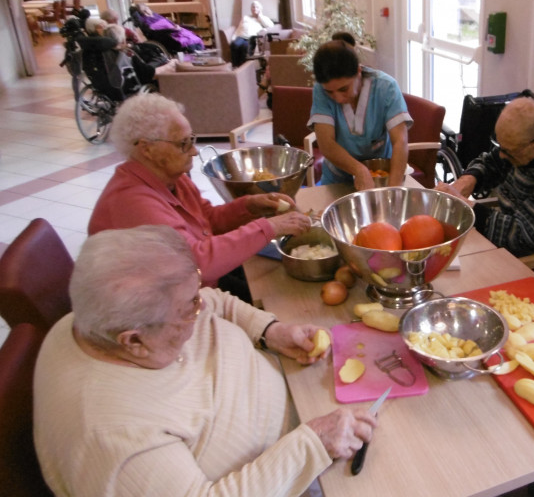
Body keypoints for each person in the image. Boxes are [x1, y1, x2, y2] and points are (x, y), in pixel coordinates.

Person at [34, 224, 378, 497]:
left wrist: (269, 330)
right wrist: (312, 444)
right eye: (189, 309)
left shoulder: (105, 320)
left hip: (303, 403)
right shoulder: (114, 441)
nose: (201, 309)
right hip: (293, 472)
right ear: (134, 340)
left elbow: (212, 300)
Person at [87, 92, 311, 302]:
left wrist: (250, 206)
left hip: (195, 284)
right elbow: (196, 262)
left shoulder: (171, 177)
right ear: (147, 149)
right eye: (183, 143)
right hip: (159, 308)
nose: (194, 151)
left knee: (275, 287)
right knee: (274, 300)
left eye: (191, 140)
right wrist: (269, 227)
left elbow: (208, 220)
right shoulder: (132, 202)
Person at [435, 95, 534, 256]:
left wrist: (464, 206)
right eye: (501, 147)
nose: (502, 156)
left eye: (508, 151)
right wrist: (467, 180)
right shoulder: (523, 144)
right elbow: (490, 162)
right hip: (506, 237)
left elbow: (520, 235)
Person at [308, 33, 411, 189]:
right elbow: (326, 144)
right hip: (337, 180)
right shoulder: (320, 91)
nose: (338, 98)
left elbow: (400, 141)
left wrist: (394, 190)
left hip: (381, 178)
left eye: (344, 89)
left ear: (358, 72)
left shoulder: (386, 88)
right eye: (330, 92)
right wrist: (359, 170)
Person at [230, 0, 275, 67]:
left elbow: (271, 25)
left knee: (245, 48)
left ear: (260, 9)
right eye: (253, 7)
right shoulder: (246, 17)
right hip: (241, 36)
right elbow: (239, 27)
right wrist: (234, 36)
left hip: (250, 38)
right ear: (251, 9)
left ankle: (242, 67)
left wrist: (260, 16)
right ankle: (235, 66)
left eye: (257, 7)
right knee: (234, 44)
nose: (254, 9)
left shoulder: (263, 18)